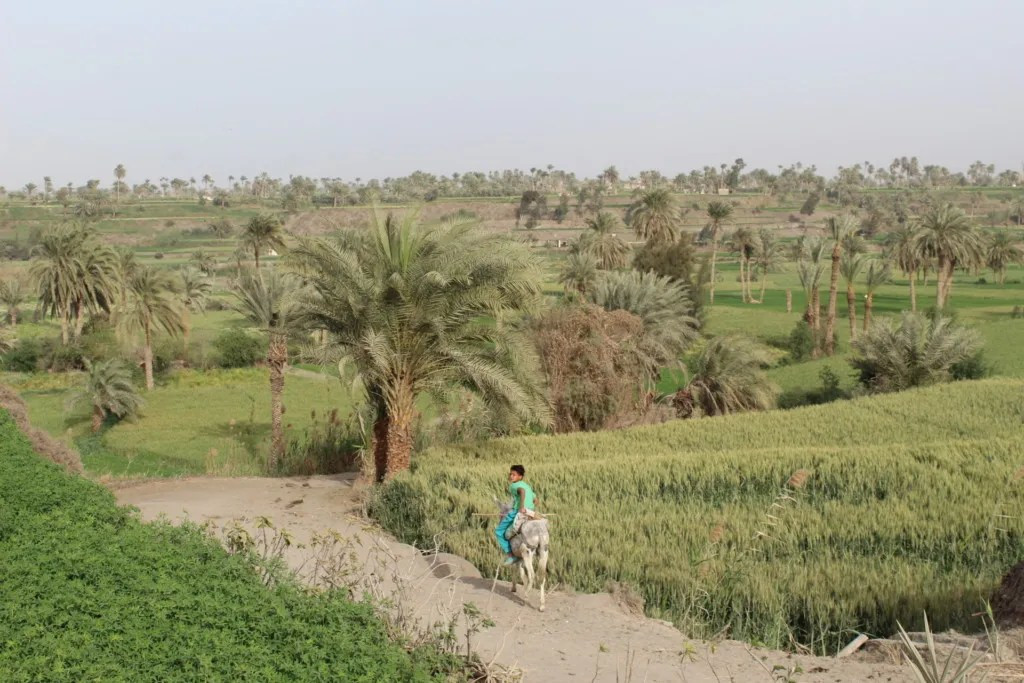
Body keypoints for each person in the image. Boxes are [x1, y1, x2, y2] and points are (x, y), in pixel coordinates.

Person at [495, 464, 537, 565]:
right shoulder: (527, 486)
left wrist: (521, 507)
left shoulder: (513, 486)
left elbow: (522, 492)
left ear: (520, 477)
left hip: (518, 511)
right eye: (510, 474)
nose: (511, 476)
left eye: (514, 474)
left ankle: (511, 555)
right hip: (530, 511)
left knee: (499, 531)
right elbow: (536, 500)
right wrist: (530, 509)